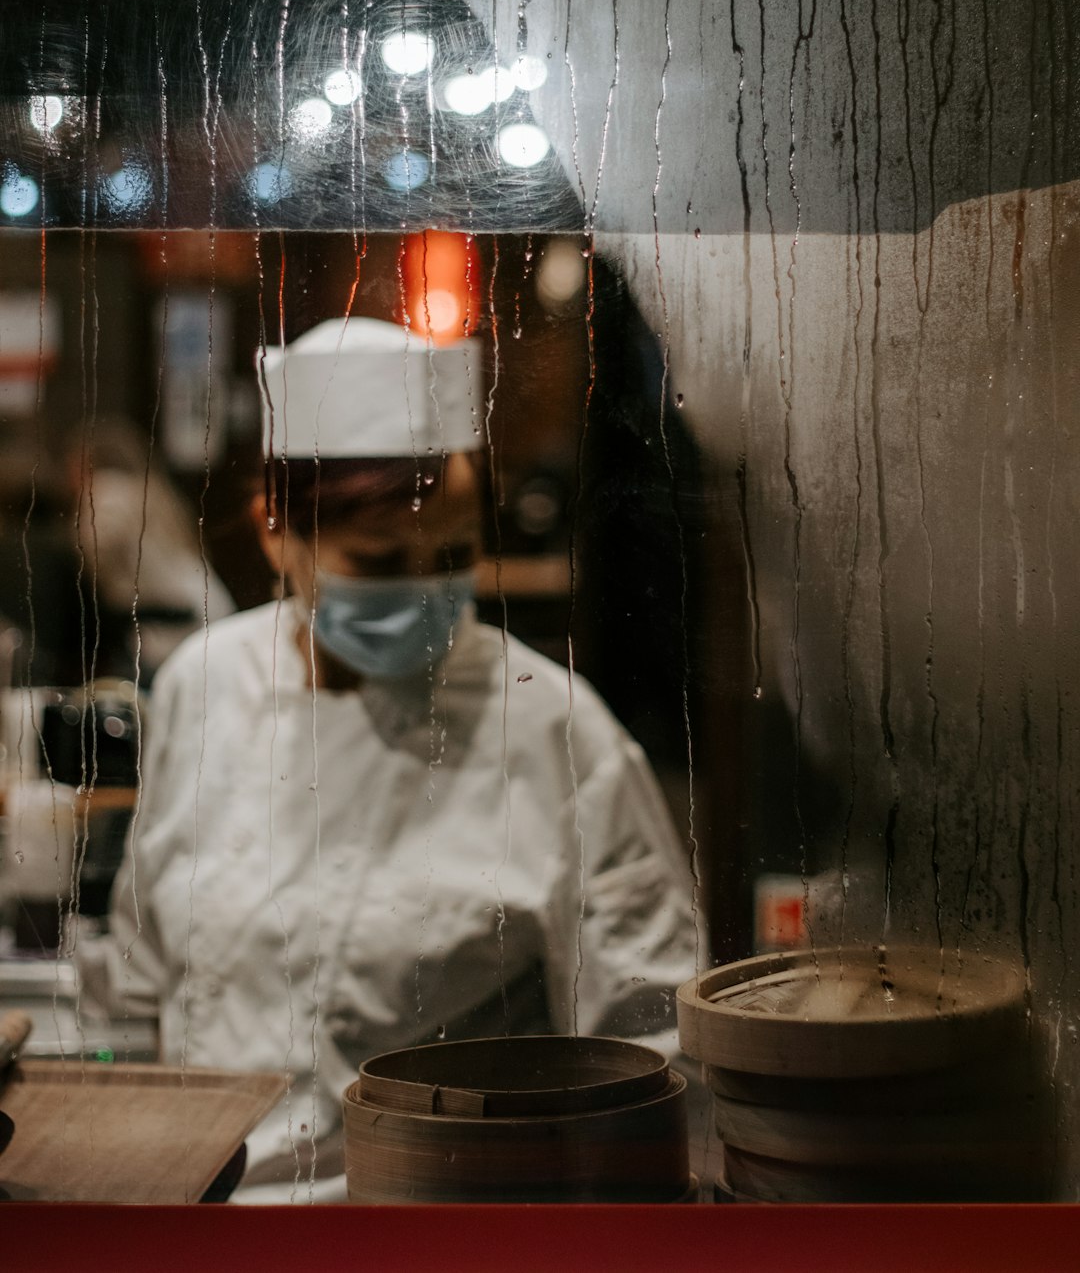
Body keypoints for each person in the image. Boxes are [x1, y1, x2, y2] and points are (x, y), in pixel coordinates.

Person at [76, 318, 698, 1203]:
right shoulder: (205, 685)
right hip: (200, 1212)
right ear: (274, 534)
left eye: (450, 556)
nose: (422, 591)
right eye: (376, 561)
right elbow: (143, 979)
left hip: (435, 1224)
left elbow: (647, 1040)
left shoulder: (556, 728)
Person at [69, 418, 235, 683]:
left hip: (170, 622)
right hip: (206, 605)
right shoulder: (151, 490)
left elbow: (94, 558)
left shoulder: (106, 492)